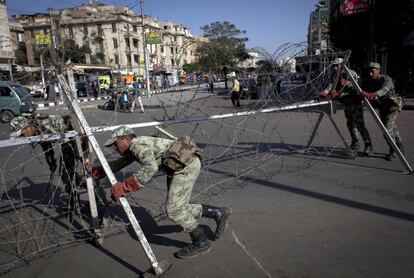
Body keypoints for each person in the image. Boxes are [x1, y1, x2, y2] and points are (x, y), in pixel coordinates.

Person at [88, 126, 232, 259]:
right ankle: (217, 213)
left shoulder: (136, 144)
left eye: (115, 143)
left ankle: (201, 242)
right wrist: (98, 171)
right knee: (177, 208)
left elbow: (150, 168)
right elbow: (119, 163)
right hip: (182, 165)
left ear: (126, 139)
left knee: (174, 210)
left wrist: (124, 187)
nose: (114, 147)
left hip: (185, 167)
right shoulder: (136, 146)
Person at [9, 113, 84, 216]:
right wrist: (51, 162)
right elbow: (47, 146)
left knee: (67, 174)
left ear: (28, 127)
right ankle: (82, 197)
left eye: (22, 135)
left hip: (75, 139)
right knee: (69, 174)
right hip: (67, 141)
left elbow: (66, 141)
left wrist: (80, 157)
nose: (22, 139)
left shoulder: (44, 126)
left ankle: (76, 204)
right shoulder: (36, 130)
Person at [320, 58, 373, 155]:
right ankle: (355, 144)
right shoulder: (335, 75)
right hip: (347, 103)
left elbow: (355, 87)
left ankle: (368, 145)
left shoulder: (350, 73)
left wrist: (343, 87)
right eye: (334, 66)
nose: (335, 68)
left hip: (355, 102)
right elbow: (331, 85)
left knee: (360, 124)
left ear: (342, 65)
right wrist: (324, 93)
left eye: (337, 66)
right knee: (350, 124)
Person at [360, 62, 404, 161]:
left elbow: (384, 90)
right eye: (369, 72)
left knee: (387, 130)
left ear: (378, 71)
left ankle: (393, 151)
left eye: (372, 71)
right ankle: (400, 147)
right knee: (392, 128)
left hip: (392, 106)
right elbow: (363, 90)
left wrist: (371, 94)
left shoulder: (386, 79)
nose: (370, 74)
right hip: (382, 107)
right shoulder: (370, 81)